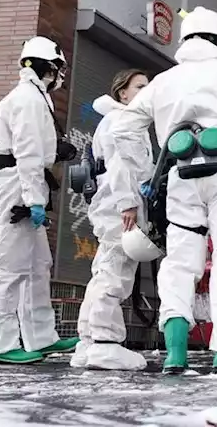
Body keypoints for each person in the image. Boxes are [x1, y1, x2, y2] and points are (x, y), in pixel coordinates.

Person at [110, 7, 217, 375]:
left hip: (180, 173)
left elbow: (124, 128)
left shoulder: (164, 81)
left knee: (180, 260)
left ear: (185, 40)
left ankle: (175, 352)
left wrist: (146, 175)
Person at [0, 36, 81, 364]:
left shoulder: (35, 98)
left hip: (17, 181)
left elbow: (36, 148)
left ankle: (41, 335)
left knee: (38, 264)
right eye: (57, 68)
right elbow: (27, 152)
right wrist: (34, 198)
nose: (59, 75)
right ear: (45, 67)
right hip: (14, 184)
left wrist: (56, 150)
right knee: (10, 267)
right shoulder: (28, 99)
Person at [70, 69, 151, 371]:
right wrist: (129, 204)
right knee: (116, 271)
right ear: (123, 93)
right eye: (140, 86)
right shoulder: (124, 121)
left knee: (104, 269)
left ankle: (88, 341)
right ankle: (105, 342)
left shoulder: (114, 120)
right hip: (119, 206)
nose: (146, 91)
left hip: (110, 204)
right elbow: (122, 167)